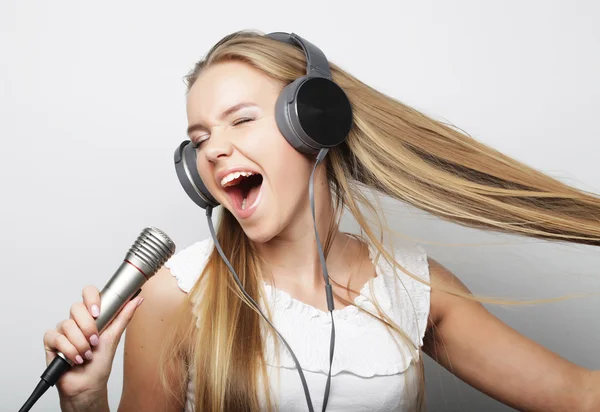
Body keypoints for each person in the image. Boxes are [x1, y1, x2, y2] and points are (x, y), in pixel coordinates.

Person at [43, 30, 600, 412]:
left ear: (314, 122)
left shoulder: (412, 287)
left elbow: (578, 396)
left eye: (241, 120)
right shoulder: (176, 293)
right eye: (200, 140)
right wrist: (85, 404)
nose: (214, 151)